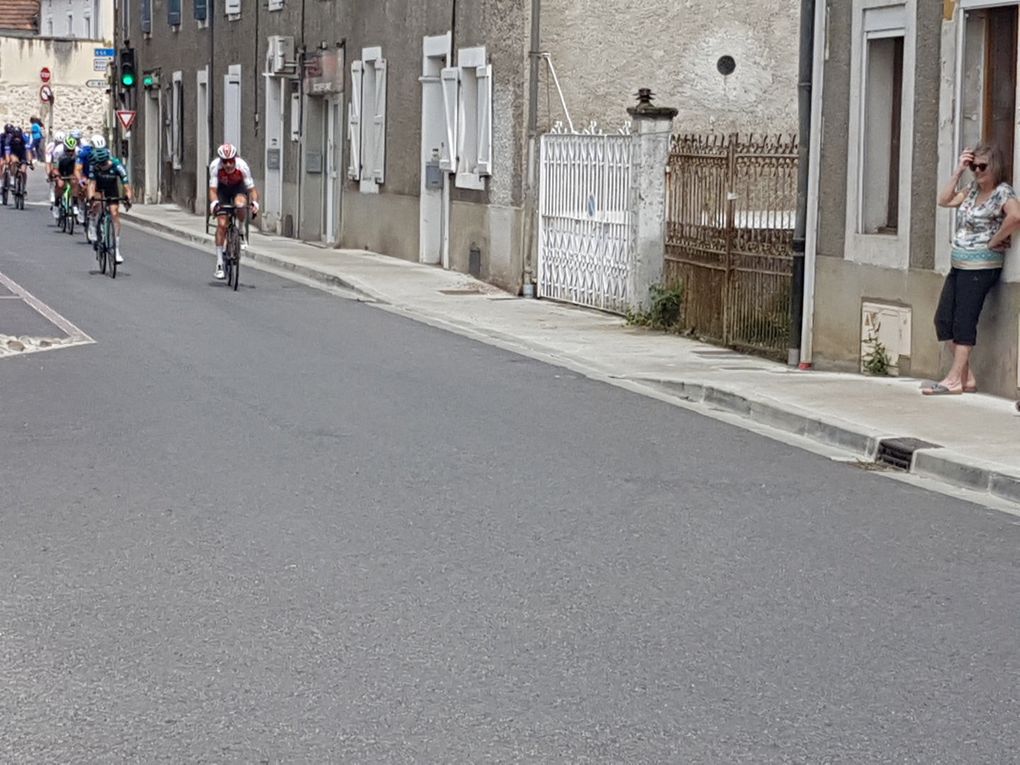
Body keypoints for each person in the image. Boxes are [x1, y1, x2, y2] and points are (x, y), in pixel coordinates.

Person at [924, 144, 1020, 395]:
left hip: (981, 265)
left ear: (995, 166)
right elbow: (944, 200)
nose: (977, 171)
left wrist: (995, 239)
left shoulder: (1002, 192)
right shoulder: (972, 189)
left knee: (964, 320)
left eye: (982, 166)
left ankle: (955, 379)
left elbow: (1015, 216)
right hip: (960, 263)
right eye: (974, 166)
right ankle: (967, 378)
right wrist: (958, 171)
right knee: (944, 320)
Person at [208, 143, 259, 280]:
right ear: (221, 161)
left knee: (240, 205)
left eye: (231, 161)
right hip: (222, 189)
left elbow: (252, 189)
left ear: (235, 159)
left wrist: (255, 203)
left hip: (238, 187)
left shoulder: (242, 166)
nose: (228, 164)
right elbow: (213, 190)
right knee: (222, 224)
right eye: (225, 162)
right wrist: (214, 204)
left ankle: (241, 231)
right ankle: (219, 263)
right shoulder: (215, 167)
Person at [87, 146, 132, 263]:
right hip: (99, 187)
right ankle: (94, 223)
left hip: (112, 187)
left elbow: (126, 185)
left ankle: (116, 250)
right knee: (97, 203)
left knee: (114, 212)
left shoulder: (117, 165)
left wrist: (128, 198)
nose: (99, 167)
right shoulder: (94, 166)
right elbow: (91, 184)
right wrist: (91, 197)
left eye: (101, 165)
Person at [51, 134, 78, 219]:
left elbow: (79, 167)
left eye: (72, 150)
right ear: (64, 148)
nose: (70, 152)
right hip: (60, 167)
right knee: (60, 185)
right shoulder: (58, 151)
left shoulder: (78, 151)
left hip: (71, 167)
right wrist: (57, 176)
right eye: (68, 150)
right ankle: (56, 204)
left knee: (74, 182)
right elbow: (54, 167)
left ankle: (75, 204)